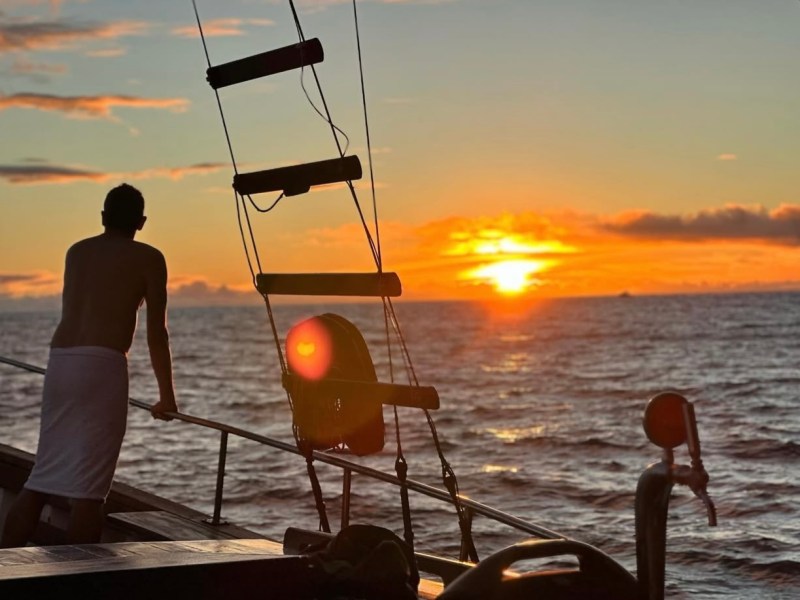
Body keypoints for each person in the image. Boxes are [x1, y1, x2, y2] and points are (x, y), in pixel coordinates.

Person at [0, 183, 178, 547]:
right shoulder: (150, 258)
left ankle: (5, 566)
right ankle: (82, 580)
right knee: (89, 490)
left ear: (102, 217)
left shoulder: (76, 252)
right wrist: (167, 398)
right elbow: (157, 333)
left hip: (60, 363)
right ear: (141, 222)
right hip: (102, 366)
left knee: (42, 476)